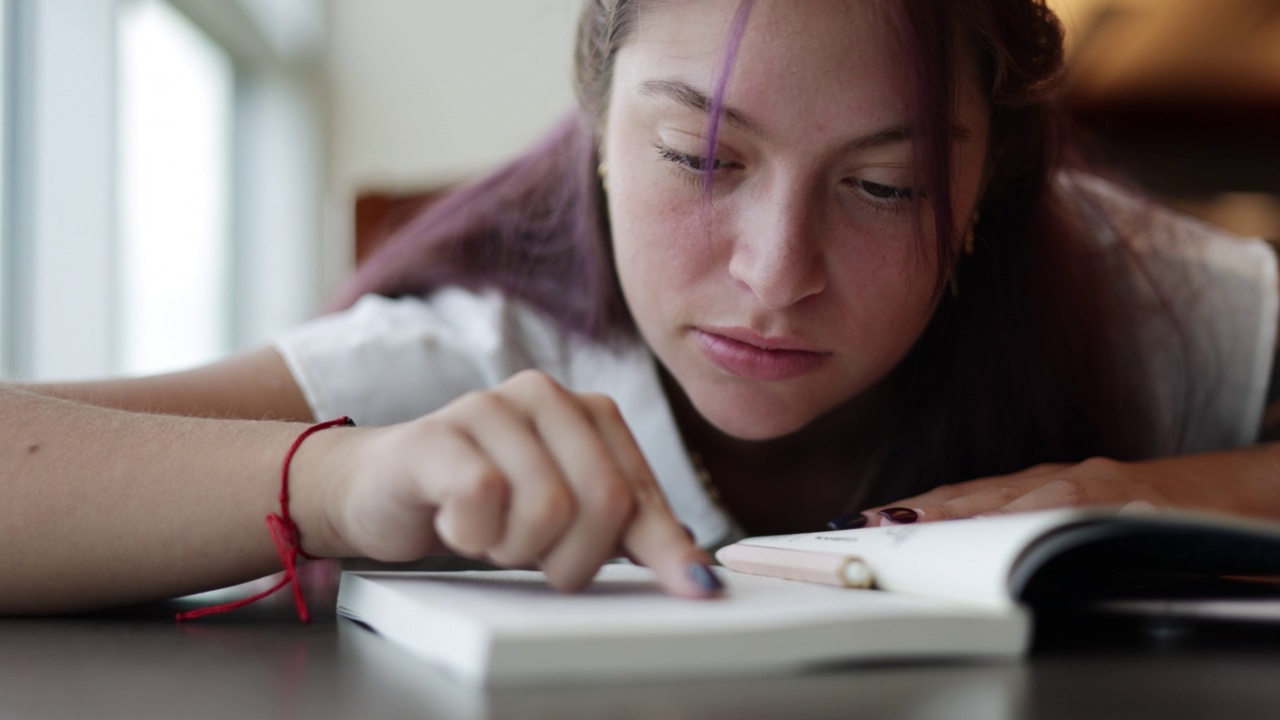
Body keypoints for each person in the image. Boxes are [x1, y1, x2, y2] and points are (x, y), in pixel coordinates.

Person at [4, 0, 1279, 615]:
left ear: (982, 189)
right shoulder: (471, 361)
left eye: (884, 187)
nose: (777, 273)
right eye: (701, 159)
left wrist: (1176, 493)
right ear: (599, 132)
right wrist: (342, 481)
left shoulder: (1137, 304)